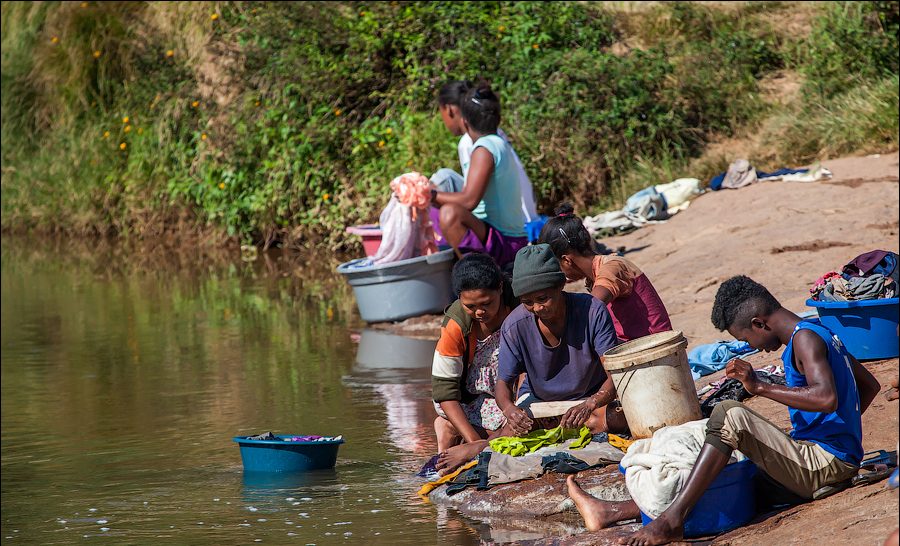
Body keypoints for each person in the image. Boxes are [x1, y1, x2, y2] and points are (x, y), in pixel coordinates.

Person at [564, 275, 881, 545]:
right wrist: (837, 436)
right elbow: (869, 386)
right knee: (732, 469)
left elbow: (826, 398)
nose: (753, 347)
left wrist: (760, 388)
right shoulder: (821, 331)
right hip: (833, 459)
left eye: (746, 337)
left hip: (825, 462)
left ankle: (672, 520)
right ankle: (613, 512)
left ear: (759, 323)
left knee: (729, 414)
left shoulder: (806, 340)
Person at [494, 244, 628, 437]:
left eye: (542, 299)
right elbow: (503, 384)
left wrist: (591, 403)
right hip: (541, 403)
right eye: (527, 302)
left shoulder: (592, 310)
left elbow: (615, 374)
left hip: (591, 398)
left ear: (560, 285)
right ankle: (475, 447)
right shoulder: (513, 325)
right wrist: (509, 409)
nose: (537, 308)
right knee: (510, 433)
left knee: (620, 417)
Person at [431, 253, 520, 474]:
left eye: (486, 304)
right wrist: (473, 444)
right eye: (470, 306)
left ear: (500, 288)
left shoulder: (518, 306)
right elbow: (445, 391)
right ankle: (456, 430)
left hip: (509, 394)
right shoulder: (455, 324)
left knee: (522, 426)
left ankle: (464, 436)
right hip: (468, 399)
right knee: (502, 437)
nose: (480, 312)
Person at [539, 203, 672, 342]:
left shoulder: (612, 267)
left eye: (558, 267)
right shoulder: (594, 276)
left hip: (657, 349)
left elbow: (593, 306)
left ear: (566, 260)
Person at [429, 85, 528, 267]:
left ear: (465, 122)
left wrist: (430, 195)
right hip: (506, 237)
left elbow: (468, 201)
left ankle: (479, 277)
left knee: (449, 214)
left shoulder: (484, 149)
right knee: (437, 208)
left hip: (506, 243)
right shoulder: (497, 143)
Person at [434, 80, 538, 225]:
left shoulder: (471, 143)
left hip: (510, 224)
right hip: (525, 217)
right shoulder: (496, 136)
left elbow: (470, 199)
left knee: (442, 179)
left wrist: (428, 194)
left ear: (449, 110)